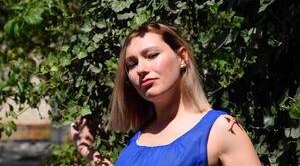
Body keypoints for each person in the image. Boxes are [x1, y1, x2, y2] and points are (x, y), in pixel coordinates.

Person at [70, 22, 261, 166]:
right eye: (132, 64)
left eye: (152, 55)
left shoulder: (221, 129)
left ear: (182, 58)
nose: (141, 69)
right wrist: (86, 148)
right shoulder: (138, 139)